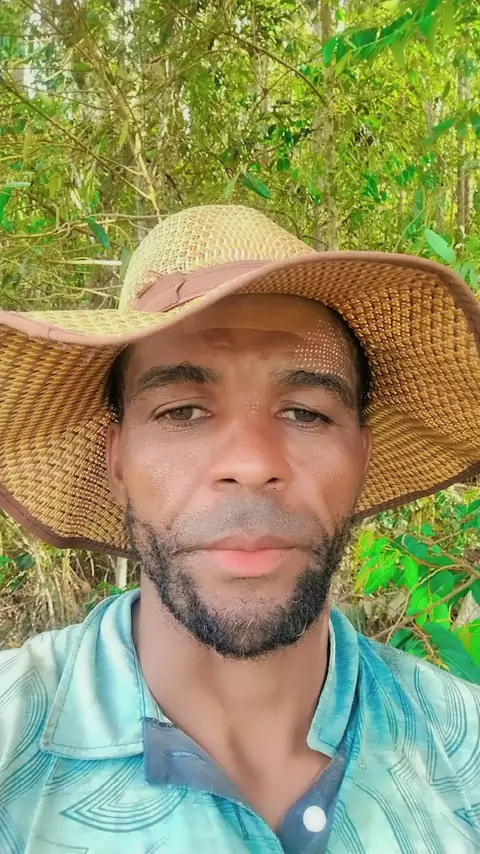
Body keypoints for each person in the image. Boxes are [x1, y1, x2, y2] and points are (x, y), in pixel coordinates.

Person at [0, 204, 479, 854]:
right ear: (117, 462)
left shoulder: (463, 755)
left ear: (362, 459)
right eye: (183, 410)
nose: (252, 464)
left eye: (306, 413)